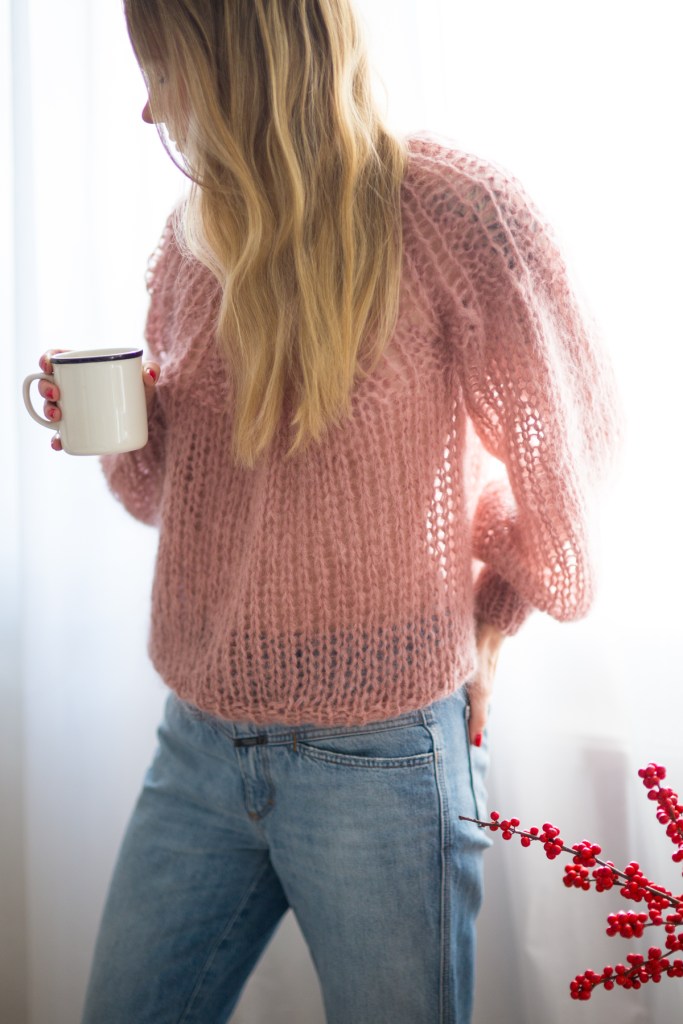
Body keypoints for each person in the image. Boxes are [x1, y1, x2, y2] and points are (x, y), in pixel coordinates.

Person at [38, 1, 618, 1021]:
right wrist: (130, 427)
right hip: (200, 742)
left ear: (243, 60)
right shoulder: (191, 245)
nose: (148, 111)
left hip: (382, 761)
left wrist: (488, 614)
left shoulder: (454, 215)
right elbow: (165, 500)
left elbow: (570, 453)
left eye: (164, 71)